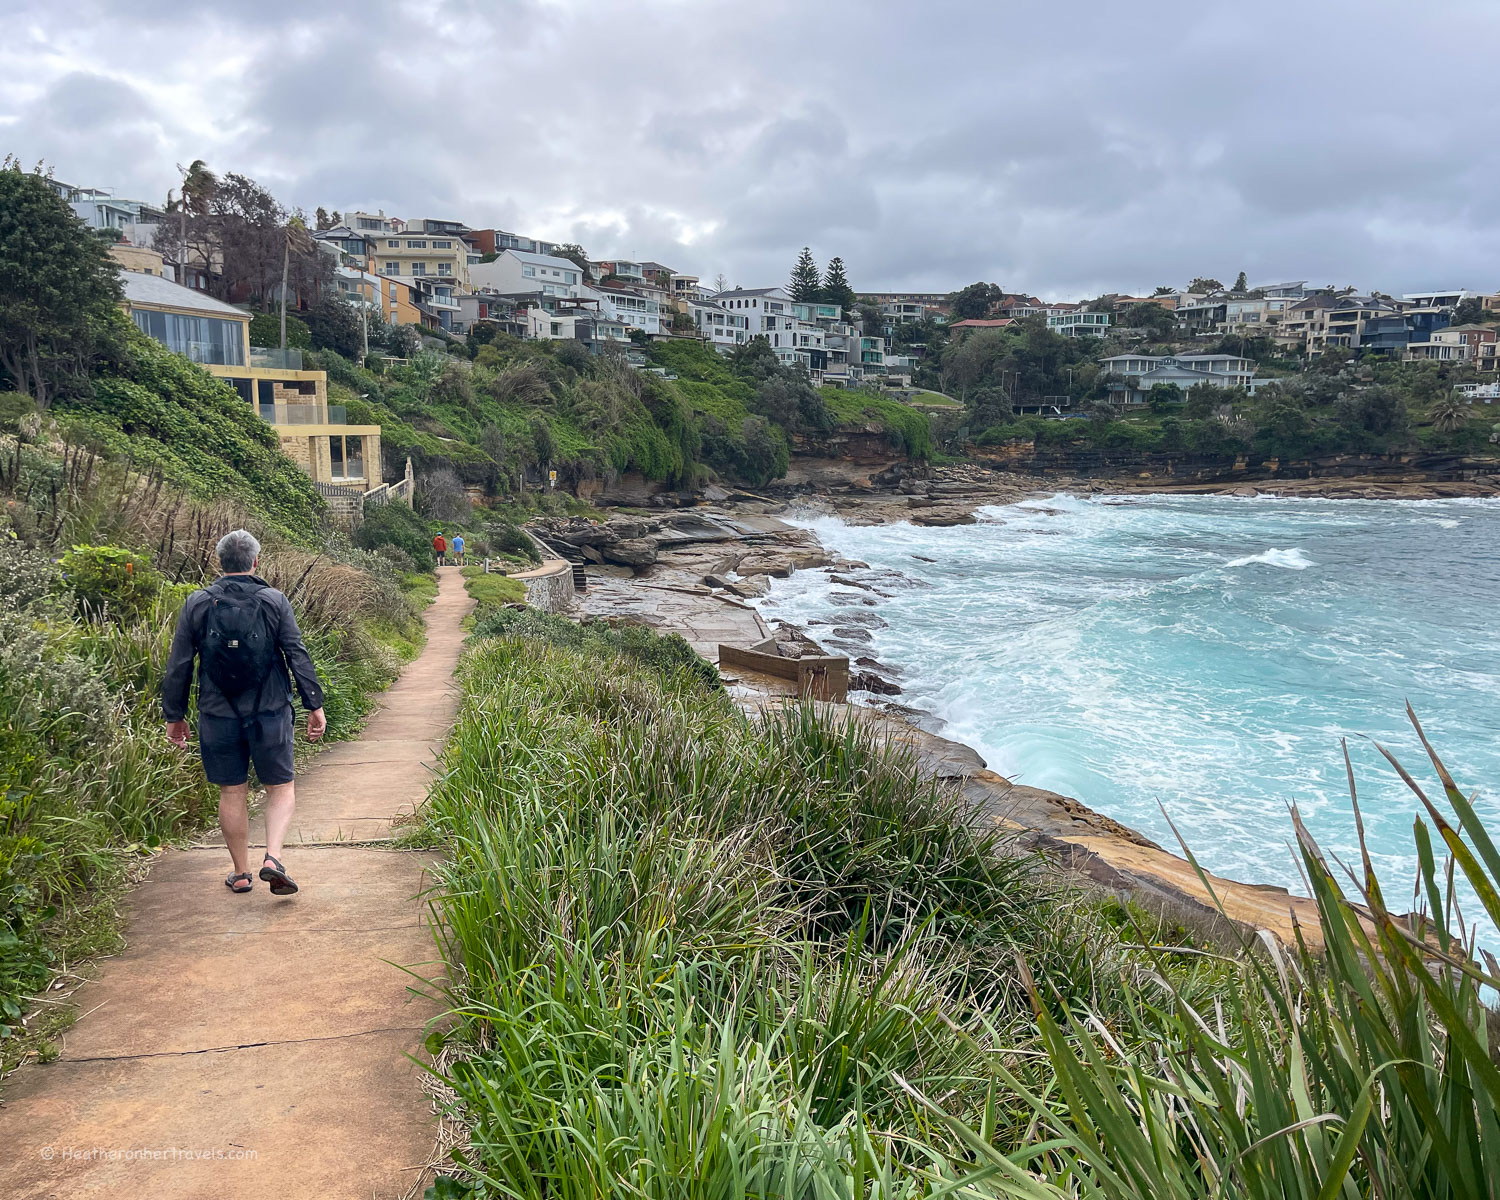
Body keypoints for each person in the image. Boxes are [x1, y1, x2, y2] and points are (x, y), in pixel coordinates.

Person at [162, 530, 327, 897]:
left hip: (217, 714)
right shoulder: (274, 600)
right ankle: (273, 857)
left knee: (232, 791)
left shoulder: (197, 603)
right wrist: (313, 704)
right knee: (280, 788)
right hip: (269, 711)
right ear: (256, 561)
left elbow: (180, 664)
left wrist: (175, 715)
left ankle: (240, 873)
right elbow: (296, 654)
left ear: (219, 562)